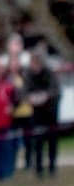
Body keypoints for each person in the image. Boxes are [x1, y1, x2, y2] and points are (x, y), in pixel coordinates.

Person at [25, 50, 60, 178]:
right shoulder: (28, 74)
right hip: (37, 114)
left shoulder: (49, 73)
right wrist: (31, 98)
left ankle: (52, 167)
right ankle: (39, 169)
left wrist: (46, 95)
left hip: (50, 112)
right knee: (37, 141)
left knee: (52, 141)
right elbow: (25, 91)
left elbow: (55, 90)